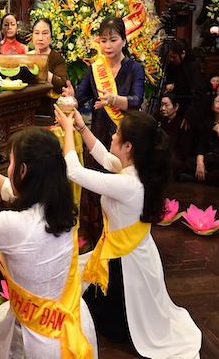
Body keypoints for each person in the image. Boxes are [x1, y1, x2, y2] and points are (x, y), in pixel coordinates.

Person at [54, 106, 202, 358]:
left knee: (104, 315)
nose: (112, 136)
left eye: (117, 133)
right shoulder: (138, 170)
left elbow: (74, 172)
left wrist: (67, 130)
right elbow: (105, 157)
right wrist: (81, 128)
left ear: (128, 147)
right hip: (127, 252)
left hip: (126, 262)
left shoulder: (128, 184)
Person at [0, 127, 98, 358]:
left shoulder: (16, 225)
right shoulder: (61, 206)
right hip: (73, 318)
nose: (8, 168)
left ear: (23, 170)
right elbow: (12, 191)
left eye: (11, 162)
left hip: (44, 338)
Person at [62, 16, 145, 147]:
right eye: (103, 40)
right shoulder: (94, 69)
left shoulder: (135, 69)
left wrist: (113, 100)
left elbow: (136, 101)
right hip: (99, 138)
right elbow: (80, 99)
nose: (108, 46)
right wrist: (71, 99)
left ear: (124, 41)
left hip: (126, 140)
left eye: (113, 40)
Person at [185, 93, 219, 186]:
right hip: (207, 159)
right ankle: (208, 178)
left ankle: (196, 178)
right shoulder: (207, 122)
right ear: (212, 106)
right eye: (217, 101)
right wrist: (200, 162)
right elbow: (201, 145)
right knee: (188, 162)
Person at [28, 17, 69, 120]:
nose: (40, 38)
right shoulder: (26, 57)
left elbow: (62, 85)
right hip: (29, 108)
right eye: (36, 33)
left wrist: (41, 65)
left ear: (51, 37)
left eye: (45, 33)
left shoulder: (56, 58)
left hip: (49, 109)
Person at [162, 39, 206, 131]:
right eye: (169, 57)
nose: (171, 59)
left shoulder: (192, 67)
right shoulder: (173, 64)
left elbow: (198, 92)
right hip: (176, 104)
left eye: (174, 57)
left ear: (183, 53)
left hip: (188, 107)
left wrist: (189, 116)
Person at [160, 93, 193, 180]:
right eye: (162, 105)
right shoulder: (161, 121)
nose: (163, 108)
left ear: (176, 107)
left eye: (166, 105)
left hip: (176, 158)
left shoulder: (183, 124)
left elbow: (184, 151)